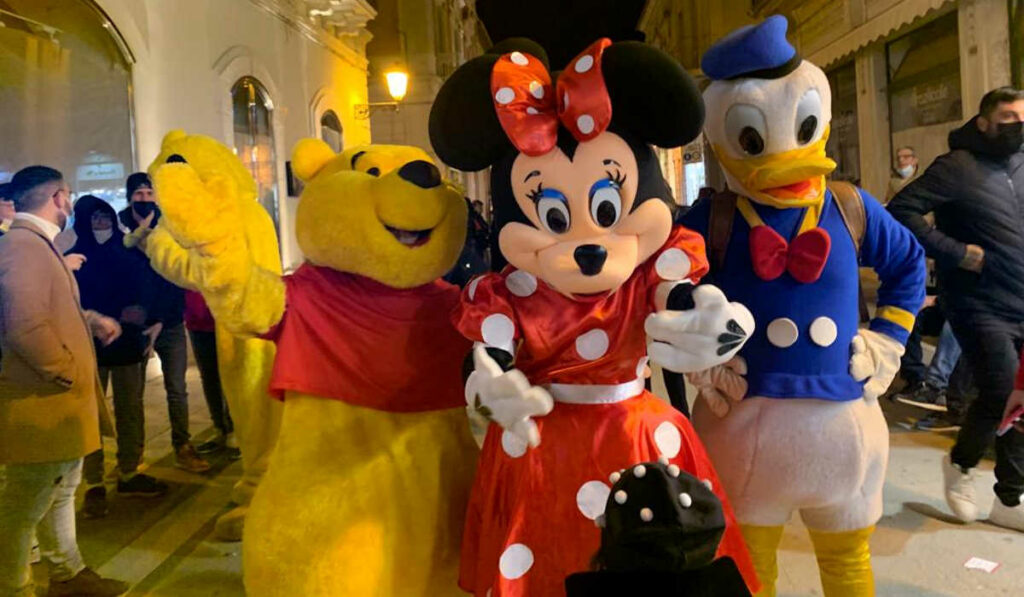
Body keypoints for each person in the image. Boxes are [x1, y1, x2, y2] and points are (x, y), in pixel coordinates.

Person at [889, 86, 1024, 531]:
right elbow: (902, 210)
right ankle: (961, 465)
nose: (1019, 126)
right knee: (1001, 388)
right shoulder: (957, 167)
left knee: (1022, 398)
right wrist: (955, 252)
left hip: (1021, 297)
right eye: (1009, 117)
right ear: (984, 123)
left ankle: (1009, 498)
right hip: (978, 302)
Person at [0, 166, 129, 597]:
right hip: (42, 400)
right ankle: (14, 586)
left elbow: (46, 308)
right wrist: (67, 370)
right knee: (25, 503)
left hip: (56, 401)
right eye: (68, 195)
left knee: (61, 489)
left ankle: (68, 574)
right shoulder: (23, 246)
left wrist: (88, 320)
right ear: (58, 197)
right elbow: (24, 325)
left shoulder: (36, 244)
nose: (70, 203)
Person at [69, 195, 169, 518]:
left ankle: (129, 470)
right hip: (89, 346)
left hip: (127, 343)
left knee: (130, 409)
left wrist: (150, 317)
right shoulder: (74, 258)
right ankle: (94, 481)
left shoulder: (128, 253)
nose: (101, 223)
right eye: (94, 218)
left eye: (104, 216)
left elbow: (149, 288)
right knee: (91, 415)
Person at [118, 172, 210, 473]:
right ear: (129, 196)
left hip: (169, 322)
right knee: (132, 396)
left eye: (149, 193)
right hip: (134, 327)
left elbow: (174, 278)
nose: (144, 199)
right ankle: (132, 458)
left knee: (177, 389)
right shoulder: (119, 226)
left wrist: (161, 319)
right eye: (138, 194)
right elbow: (124, 279)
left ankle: (183, 447)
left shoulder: (169, 227)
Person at [184, 290, 239, 458]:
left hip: (225, 321)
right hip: (197, 321)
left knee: (231, 376)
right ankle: (220, 427)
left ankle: (236, 429)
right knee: (209, 377)